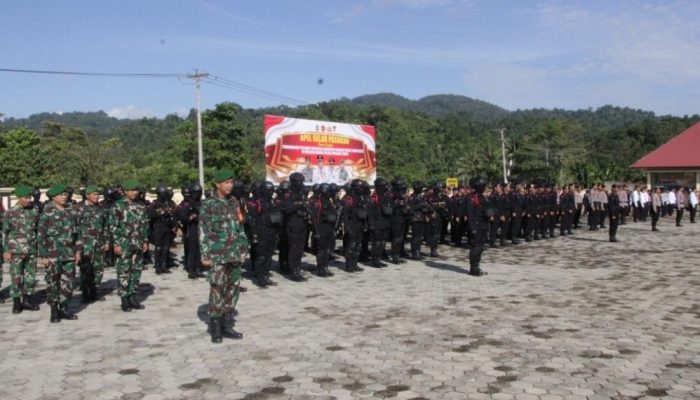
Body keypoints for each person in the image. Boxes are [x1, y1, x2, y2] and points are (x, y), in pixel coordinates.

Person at [199, 169, 249, 343]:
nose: (230, 185)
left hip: (234, 253)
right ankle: (215, 327)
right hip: (217, 254)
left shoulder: (234, 202)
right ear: (217, 184)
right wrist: (205, 254)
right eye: (227, 182)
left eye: (231, 182)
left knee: (233, 289)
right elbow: (204, 231)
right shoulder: (208, 204)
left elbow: (240, 228)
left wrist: (243, 250)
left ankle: (227, 325)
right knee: (217, 288)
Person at [37, 184, 82, 322]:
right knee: (53, 283)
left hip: (69, 254)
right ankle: (54, 310)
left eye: (65, 194)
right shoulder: (47, 213)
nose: (65, 197)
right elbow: (40, 236)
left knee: (68, 282)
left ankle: (64, 308)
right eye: (61, 195)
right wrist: (44, 256)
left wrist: (78, 251)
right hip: (53, 256)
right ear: (54, 197)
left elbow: (78, 234)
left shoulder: (72, 212)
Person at [108, 179, 149, 312]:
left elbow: (144, 225)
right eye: (132, 190)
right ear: (125, 191)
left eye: (136, 190)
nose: (135, 193)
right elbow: (113, 227)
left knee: (136, 271)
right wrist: (117, 244)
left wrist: (145, 241)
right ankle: (124, 299)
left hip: (137, 243)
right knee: (124, 271)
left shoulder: (140, 206)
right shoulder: (117, 206)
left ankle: (132, 296)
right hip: (124, 244)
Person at [2, 185, 40, 313]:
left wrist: (39, 248)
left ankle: (27, 300)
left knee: (30, 277)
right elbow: (5, 233)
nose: (29, 200)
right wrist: (6, 250)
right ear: (18, 198)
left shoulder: (33, 211)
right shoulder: (10, 213)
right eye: (26, 198)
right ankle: (17, 302)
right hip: (16, 251)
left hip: (31, 250)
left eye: (29, 197)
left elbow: (37, 230)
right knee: (16, 277)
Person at [248, 181, 283, 286]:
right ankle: (260, 278)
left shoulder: (273, 202)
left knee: (268, 256)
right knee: (261, 256)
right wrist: (254, 234)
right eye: (269, 190)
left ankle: (266, 275)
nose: (271, 192)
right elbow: (252, 220)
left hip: (272, 232)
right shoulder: (257, 203)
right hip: (261, 232)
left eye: (272, 190)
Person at [78, 185, 108, 303]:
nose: (97, 197)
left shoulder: (101, 209)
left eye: (98, 194)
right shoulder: (79, 209)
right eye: (94, 194)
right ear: (87, 195)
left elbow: (105, 226)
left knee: (99, 268)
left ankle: (94, 290)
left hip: (99, 244)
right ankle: (85, 293)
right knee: (86, 269)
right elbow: (75, 228)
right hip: (85, 245)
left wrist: (105, 241)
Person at [281, 172, 310, 281]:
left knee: (300, 248)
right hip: (293, 223)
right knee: (294, 248)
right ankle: (293, 271)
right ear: (293, 182)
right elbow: (288, 209)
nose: (301, 183)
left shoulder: (301, 193)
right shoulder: (288, 194)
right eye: (299, 181)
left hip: (302, 222)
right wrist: (300, 204)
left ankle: (297, 268)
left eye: (302, 181)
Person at [310, 183, 340, 275]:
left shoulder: (330, 201)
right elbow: (314, 218)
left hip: (330, 228)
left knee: (328, 249)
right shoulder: (317, 202)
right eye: (329, 191)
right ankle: (320, 269)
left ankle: (325, 267)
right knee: (322, 250)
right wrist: (316, 231)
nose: (331, 193)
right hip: (321, 228)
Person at [177, 183, 204, 279]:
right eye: (196, 193)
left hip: (200, 229)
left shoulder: (201, 203)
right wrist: (191, 217)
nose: (198, 194)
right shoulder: (187, 204)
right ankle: (191, 270)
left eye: (199, 193)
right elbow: (183, 218)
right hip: (191, 229)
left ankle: (198, 268)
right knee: (192, 250)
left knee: (199, 251)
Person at [148, 185, 177, 275]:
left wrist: (174, 225)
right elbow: (151, 216)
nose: (163, 195)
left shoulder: (169, 203)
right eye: (162, 193)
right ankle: (158, 266)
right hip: (158, 227)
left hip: (167, 227)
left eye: (164, 193)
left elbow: (174, 215)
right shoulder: (154, 204)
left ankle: (164, 265)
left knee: (166, 247)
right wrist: (162, 213)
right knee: (159, 247)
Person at [466, 177, 488, 276]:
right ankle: (473, 268)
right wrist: (472, 228)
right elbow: (470, 214)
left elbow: (487, 209)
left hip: (483, 225)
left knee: (481, 247)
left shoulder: (482, 197)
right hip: (476, 226)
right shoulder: (471, 197)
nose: (485, 188)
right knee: (475, 247)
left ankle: (477, 266)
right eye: (483, 186)